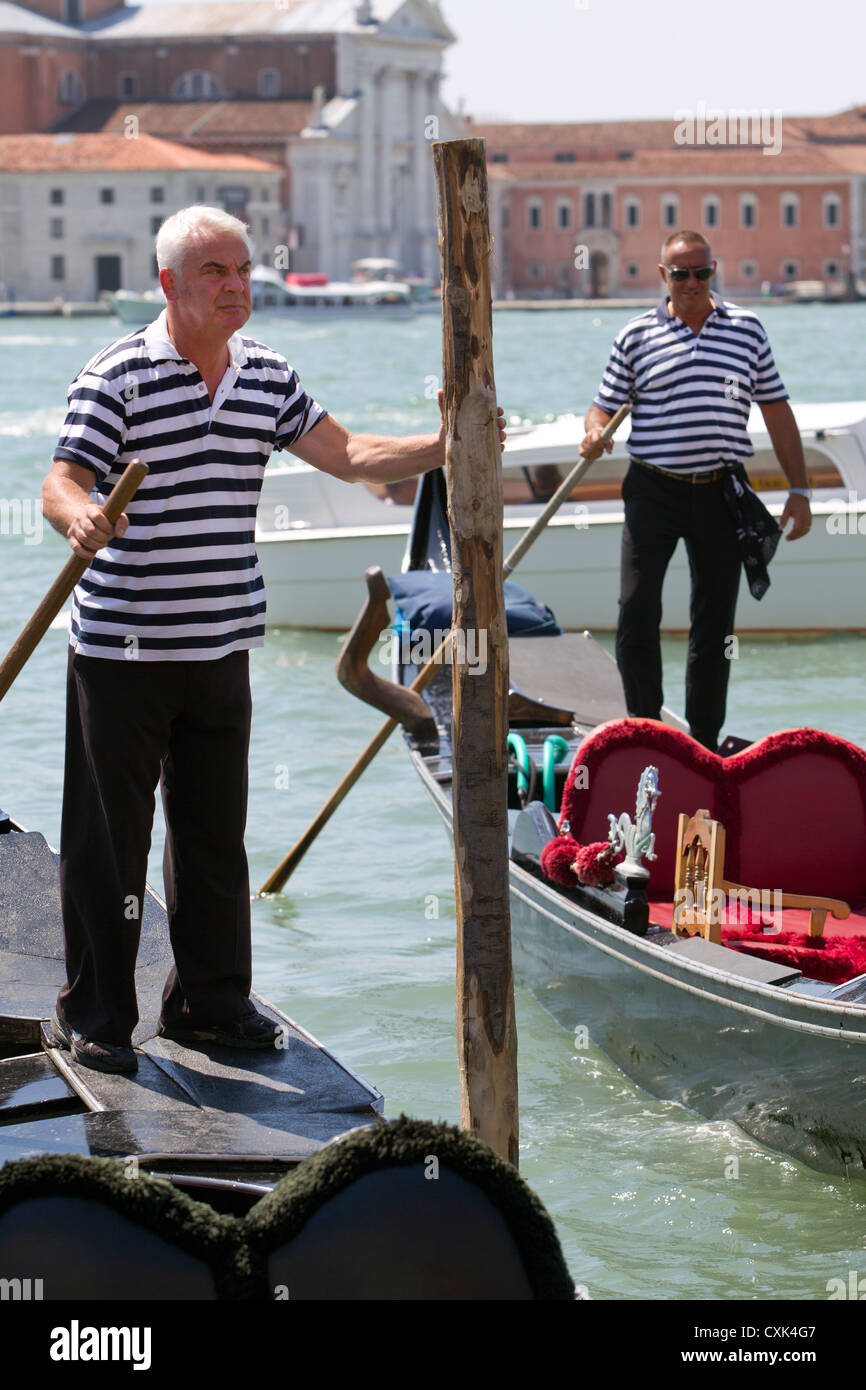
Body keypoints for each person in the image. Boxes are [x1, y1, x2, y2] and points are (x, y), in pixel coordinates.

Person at [41, 204, 505, 1074]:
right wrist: (82, 519)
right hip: (124, 654)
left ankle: (210, 1004)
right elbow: (59, 482)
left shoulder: (265, 376)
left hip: (221, 644)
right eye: (215, 272)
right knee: (111, 844)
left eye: (244, 270)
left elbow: (354, 455)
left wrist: (447, 444)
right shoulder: (118, 377)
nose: (236, 286)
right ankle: (96, 1015)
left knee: (216, 837)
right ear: (171, 284)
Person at [580, 229, 811, 752]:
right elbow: (603, 403)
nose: (691, 282)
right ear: (663, 276)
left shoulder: (747, 330)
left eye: (700, 272)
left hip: (719, 493)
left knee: (714, 622)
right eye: (680, 273)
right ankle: (646, 731)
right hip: (652, 491)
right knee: (636, 610)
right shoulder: (635, 335)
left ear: (714, 272)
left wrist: (800, 489)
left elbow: (776, 408)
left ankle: (702, 743)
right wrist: (594, 431)